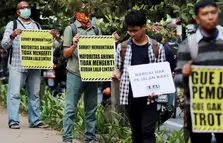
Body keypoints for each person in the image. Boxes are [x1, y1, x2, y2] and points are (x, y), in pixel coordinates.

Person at [174, 0, 223, 143]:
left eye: (213, 13)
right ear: (197, 19)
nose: (210, 17)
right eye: (205, 14)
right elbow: (178, 81)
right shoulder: (188, 45)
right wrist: (185, 74)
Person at [62, 6, 120, 143]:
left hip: (92, 74)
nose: (86, 14)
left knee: (91, 108)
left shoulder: (96, 29)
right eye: (83, 11)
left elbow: (101, 49)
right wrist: (74, 45)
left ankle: (90, 137)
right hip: (75, 74)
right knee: (70, 108)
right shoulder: (71, 29)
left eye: (88, 11)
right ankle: (67, 138)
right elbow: (65, 54)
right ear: (77, 12)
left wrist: (112, 42)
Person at [112, 10, 166, 143]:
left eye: (135, 30)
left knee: (148, 132)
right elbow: (119, 69)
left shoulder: (156, 48)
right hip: (130, 96)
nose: (132, 34)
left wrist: (157, 90)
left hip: (150, 98)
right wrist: (115, 75)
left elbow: (162, 75)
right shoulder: (123, 47)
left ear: (144, 27)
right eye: (130, 31)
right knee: (136, 132)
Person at [1, 1, 49, 129]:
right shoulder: (12, 24)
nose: (26, 9)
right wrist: (13, 35)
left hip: (34, 65)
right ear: (18, 11)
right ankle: (13, 121)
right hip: (17, 65)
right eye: (23, 8)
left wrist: (52, 37)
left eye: (27, 7)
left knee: (34, 94)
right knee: (14, 94)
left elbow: (45, 45)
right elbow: (4, 45)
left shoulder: (37, 26)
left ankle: (35, 121)